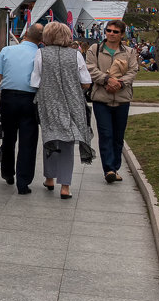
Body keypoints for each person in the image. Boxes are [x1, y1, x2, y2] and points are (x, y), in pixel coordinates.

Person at [33, 23, 93, 200]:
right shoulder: (76, 55)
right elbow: (86, 81)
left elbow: (35, 81)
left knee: (50, 137)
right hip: (72, 103)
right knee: (67, 142)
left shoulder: (41, 54)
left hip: (49, 102)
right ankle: (65, 186)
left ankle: (49, 178)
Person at [0, 23, 44, 194]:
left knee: (9, 137)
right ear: (40, 40)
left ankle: (8, 173)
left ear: (25, 35)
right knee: (28, 140)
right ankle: (23, 182)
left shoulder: (8, 50)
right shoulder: (40, 54)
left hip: (8, 98)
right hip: (30, 99)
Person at [86, 20, 140, 184]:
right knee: (106, 134)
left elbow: (133, 70)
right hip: (101, 98)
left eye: (115, 32)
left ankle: (115, 167)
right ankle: (108, 168)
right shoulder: (95, 50)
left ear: (122, 34)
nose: (111, 33)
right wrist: (107, 80)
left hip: (122, 99)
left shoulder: (129, 52)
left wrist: (120, 83)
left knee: (118, 135)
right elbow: (90, 68)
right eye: (108, 30)